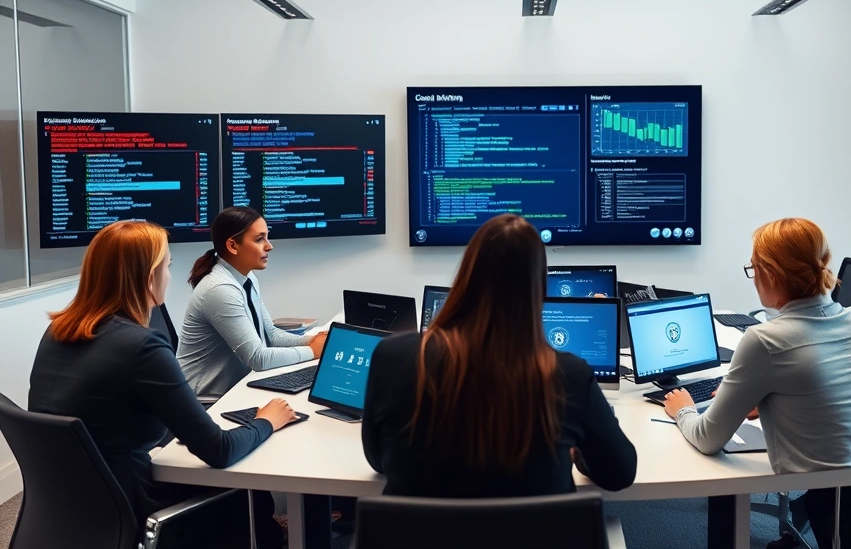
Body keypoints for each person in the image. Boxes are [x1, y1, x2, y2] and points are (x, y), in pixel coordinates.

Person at [28, 221, 299, 548]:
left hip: (72, 506)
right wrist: (265, 421)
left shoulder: (57, 331)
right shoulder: (142, 347)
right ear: (149, 276)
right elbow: (219, 451)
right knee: (244, 488)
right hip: (136, 506)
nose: (169, 277)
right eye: (167, 267)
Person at [362, 214, 637, 497]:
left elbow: (378, 460)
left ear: (466, 276)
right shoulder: (569, 375)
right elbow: (620, 473)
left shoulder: (392, 356)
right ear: (539, 290)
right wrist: (577, 450)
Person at [661, 218, 851, 548]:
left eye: (753, 269)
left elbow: (708, 438)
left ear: (770, 273)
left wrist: (683, 410)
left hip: (825, 502)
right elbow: (822, 388)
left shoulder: (765, 340)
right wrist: (773, 400)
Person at [177, 206, 326, 401]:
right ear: (233, 246)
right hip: (204, 402)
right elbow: (258, 358)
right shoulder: (219, 289)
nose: (269, 246)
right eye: (259, 239)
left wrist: (313, 341)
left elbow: (269, 335)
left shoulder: (246, 278)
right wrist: (313, 351)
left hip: (232, 391)